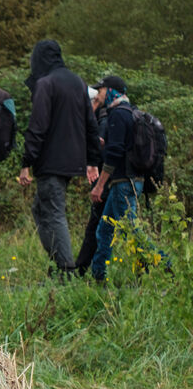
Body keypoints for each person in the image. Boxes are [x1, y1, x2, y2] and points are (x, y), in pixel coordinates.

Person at [19, 40, 101, 275]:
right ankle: (59, 263)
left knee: (54, 213)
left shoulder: (46, 83)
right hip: (72, 160)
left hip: (51, 162)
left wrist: (26, 163)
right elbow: (91, 124)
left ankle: (66, 270)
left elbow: (37, 126)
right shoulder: (77, 82)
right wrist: (92, 160)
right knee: (40, 209)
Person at [89, 75, 145, 283]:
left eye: (101, 90)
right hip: (128, 181)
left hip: (124, 183)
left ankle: (165, 270)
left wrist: (99, 186)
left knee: (133, 232)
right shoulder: (129, 112)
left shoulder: (118, 114)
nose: (99, 94)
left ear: (111, 90)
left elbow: (114, 154)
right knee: (105, 230)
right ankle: (98, 278)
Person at [74, 85, 110, 275]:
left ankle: (82, 269)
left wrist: (99, 183)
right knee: (99, 226)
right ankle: (82, 268)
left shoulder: (101, 120)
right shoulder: (101, 117)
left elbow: (101, 147)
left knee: (98, 226)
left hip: (106, 180)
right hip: (108, 179)